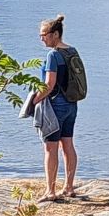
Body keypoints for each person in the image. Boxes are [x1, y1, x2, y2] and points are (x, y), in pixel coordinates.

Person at [32, 14, 81, 201]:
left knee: (50, 148)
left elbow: (49, 84)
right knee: (68, 144)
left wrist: (35, 100)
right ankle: (69, 187)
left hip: (55, 106)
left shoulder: (53, 55)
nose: (42, 38)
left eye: (44, 34)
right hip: (71, 104)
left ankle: (50, 191)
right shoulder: (72, 51)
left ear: (55, 34)